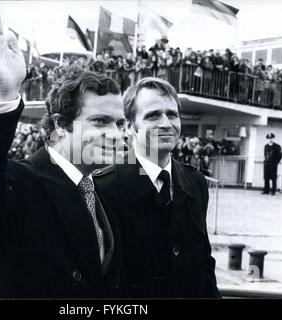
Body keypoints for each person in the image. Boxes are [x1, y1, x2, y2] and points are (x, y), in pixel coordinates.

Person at [0, 3, 125, 299]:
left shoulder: (101, 191)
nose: (116, 135)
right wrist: (2, 96)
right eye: (100, 122)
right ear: (60, 125)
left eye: (120, 123)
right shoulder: (20, 182)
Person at [94, 78, 220, 298]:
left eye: (172, 114)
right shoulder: (105, 188)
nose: (166, 123)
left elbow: (204, 263)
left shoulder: (195, 182)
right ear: (129, 126)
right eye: (153, 115)